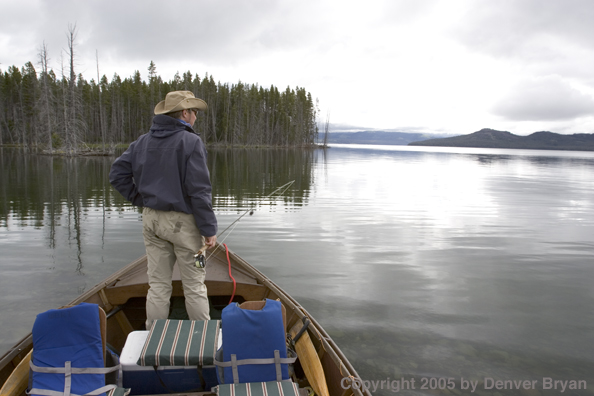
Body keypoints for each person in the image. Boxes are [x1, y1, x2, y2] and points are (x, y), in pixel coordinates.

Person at [109, 90, 217, 329]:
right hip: (184, 225)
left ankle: (152, 339)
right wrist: (209, 230)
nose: (196, 117)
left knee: (158, 284)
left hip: (152, 222)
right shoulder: (191, 142)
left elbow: (117, 175)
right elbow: (199, 191)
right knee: (195, 285)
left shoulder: (142, 142)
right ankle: (202, 340)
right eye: (194, 112)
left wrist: (141, 199)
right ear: (185, 113)